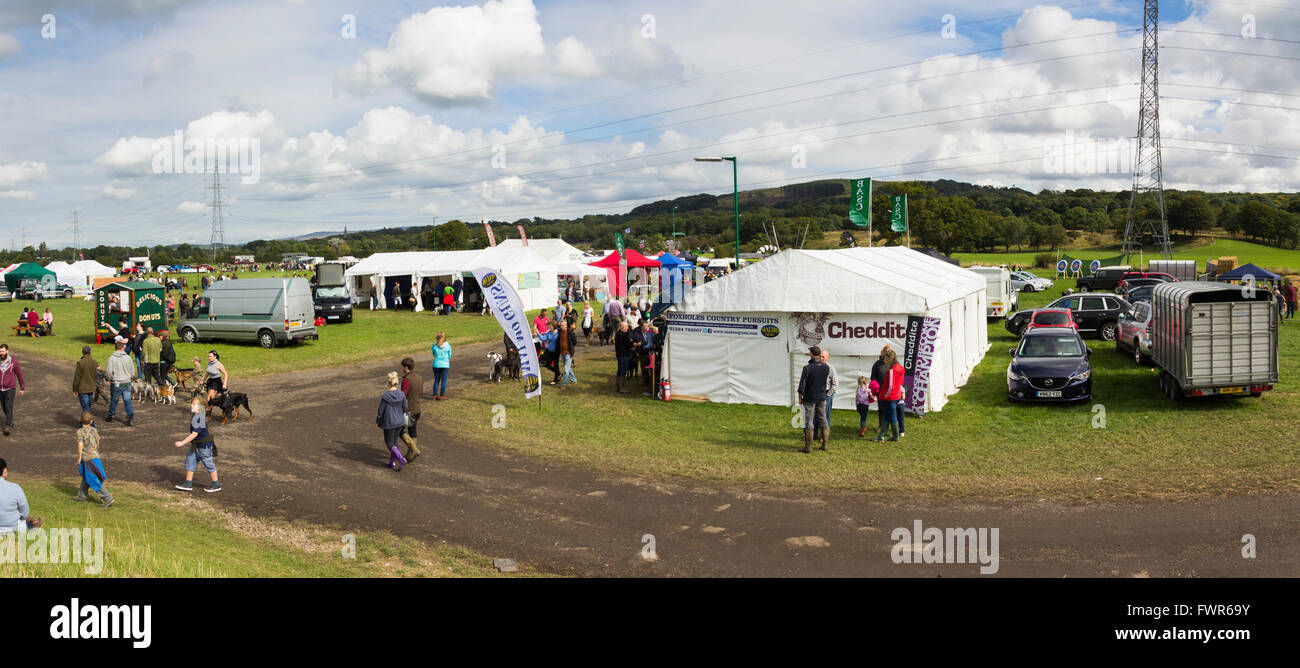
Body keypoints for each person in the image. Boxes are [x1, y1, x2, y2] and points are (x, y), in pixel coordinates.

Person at [174, 396, 221, 492]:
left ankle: (216, 484)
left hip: (204, 446)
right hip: (196, 444)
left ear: (201, 407)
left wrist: (182, 442)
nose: (191, 405)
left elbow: (195, 434)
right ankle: (188, 483)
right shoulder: (196, 416)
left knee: (208, 463)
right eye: (192, 403)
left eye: (194, 404)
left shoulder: (199, 418)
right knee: (190, 461)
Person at [796, 346, 831, 453]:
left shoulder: (807, 368)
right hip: (821, 397)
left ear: (811, 354)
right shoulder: (826, 367)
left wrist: (800, 398)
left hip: (810, 398)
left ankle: (808, 447)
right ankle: (825, 445)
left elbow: (802, 385)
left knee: (809, 421)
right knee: (823, 420)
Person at [75, 412, 114, 506]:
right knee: (86, 475)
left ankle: (108, 497)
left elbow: (80, 445)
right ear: (91, 421)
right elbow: (98, 442)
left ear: (80, 420)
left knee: (93, 478)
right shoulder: (94, 430)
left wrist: (79, 458)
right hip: (95, 456)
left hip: (88, 458)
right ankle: (82, 496)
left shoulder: (79, 431)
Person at [377, 371, 409, 471]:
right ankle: (392, 462)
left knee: (389, 443)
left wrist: (378, 421)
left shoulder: (385, 396)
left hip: (389, 422)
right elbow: (405, 407)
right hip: (399, 421)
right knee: (394, 442)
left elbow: (380, 411)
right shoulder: (402, 394)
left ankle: (401, 459)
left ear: (388, 383)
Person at [0, 458, 42, 533]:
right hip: (12, 526)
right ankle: (31, 525)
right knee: (23, 523)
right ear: (5, 471)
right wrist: (22, 518)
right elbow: (24, 512)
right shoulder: (15, 488)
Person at [872, 349, 905, 442]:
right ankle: (881, 436)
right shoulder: (900, 368)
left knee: (892, 416)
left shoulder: (891, 371)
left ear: (889, 359)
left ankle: (895, 437)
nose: (883, 360)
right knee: (886, 415)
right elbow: (901, 382)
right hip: (896, 395)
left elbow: (890, 386)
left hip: (890, 397)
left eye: (885, 358)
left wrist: (885, 395)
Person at [399, 358, 423, 462]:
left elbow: (402, 395)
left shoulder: (406, 380)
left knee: (399, 430)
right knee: (413, 431)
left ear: (406, 367)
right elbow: (421, 392)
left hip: (408, 411)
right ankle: (410, 455)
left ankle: (414, 449)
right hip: (417, 409)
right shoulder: (419, 377)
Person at [0, 344, 24, 436]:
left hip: (10, 388)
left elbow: (19, 375)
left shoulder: (14, 362)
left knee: (8, 406)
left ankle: (7, 426)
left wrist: (22, 387)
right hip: (0, 389)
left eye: (2, 351)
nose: (1, 353)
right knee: (4, 407)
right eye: (0, 351)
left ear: (7, 351)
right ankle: (10, 420)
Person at [869, 346, 891, 435]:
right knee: (881, 409)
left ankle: (891, 427)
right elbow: (873, 377)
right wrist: (875, 388)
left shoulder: (891, 364)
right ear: (882, 354)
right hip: (880, 391)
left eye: (888, 355)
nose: (886, 356)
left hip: (890, 390)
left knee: (890, 409)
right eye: (885, 354)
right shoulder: (877, 364)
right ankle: (881, 426)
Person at [818, 349, 839, 440]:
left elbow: (835, 384)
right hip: (817, 393)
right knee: (815, 415)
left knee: (825, 416)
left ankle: (824, 437)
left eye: (823, 356)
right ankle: (814, 435)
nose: (821, 358)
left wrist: (828, 395)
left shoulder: (831, 368)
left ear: (827, 358)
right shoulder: (816, 366)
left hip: (826, 394)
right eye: (820, 356)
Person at [630, 319, 655, 396]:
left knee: (651, 368)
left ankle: (650, 382)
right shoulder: (637, 333)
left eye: (647, 326)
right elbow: (636, 341)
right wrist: (638, 344)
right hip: (643, 353)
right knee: (644, 368)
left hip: (650, 352)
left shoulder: (650, 332)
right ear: (641, 327)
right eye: (645, 326)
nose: (647, 327)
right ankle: (645, 381)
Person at [72, 345, 99, 414]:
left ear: (82, 352)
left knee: (85, 408)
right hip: (91, 388)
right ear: (90, 352)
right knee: (88, 407)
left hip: (83, 389)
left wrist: (75, 389)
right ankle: (88, 422)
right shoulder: (95, 362)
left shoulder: (80, 363)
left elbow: (77, 377)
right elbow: (98, 375)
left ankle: (89, 423)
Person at [430, 332, 452, 400]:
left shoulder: (434, 345)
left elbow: (433, 353)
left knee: (436, 380)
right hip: (445, 365)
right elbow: (449, 355)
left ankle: (434, 395)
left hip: (436, 365)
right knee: (444, 381)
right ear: (445, 337)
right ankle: (442, 395)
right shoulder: (448, 345)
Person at [558, 320, 577, 389]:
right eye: (561, 325)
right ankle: (574, 380)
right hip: (562, 353)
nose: (561, 327)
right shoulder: (560, 332)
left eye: (563, 325)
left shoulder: (570, 332)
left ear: (566, 325)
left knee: (566, 369)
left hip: (568, 353)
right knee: (568, 368)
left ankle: (564, 384)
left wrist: (571, 348)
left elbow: (575, 341)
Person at [613, 321, 632, 394]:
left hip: (620, 355)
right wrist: (635, 344)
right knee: (622, 371)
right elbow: (629, 344)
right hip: (623, 355)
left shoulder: (618, 334)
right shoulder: (623, 335)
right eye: (626, 326)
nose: (627, 328)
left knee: (620, 370)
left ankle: (619, 387)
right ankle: (621, 388)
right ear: (623, 327)